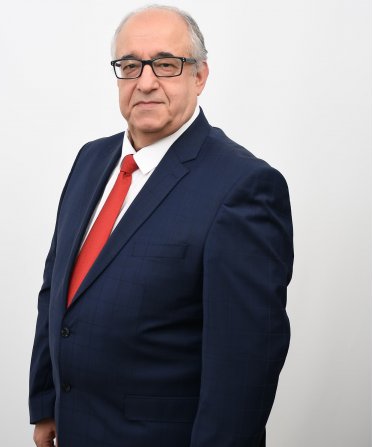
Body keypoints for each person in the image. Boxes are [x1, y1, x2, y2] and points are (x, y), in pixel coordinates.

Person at [29, 5, 293, 447]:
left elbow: (245, 366)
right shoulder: (91, 159)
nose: (146, 82)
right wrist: (47, 402)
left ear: (200, 76)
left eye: (166, 65)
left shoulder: (244, 186)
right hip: (74, 427)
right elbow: (56, 287)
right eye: (130, 65)